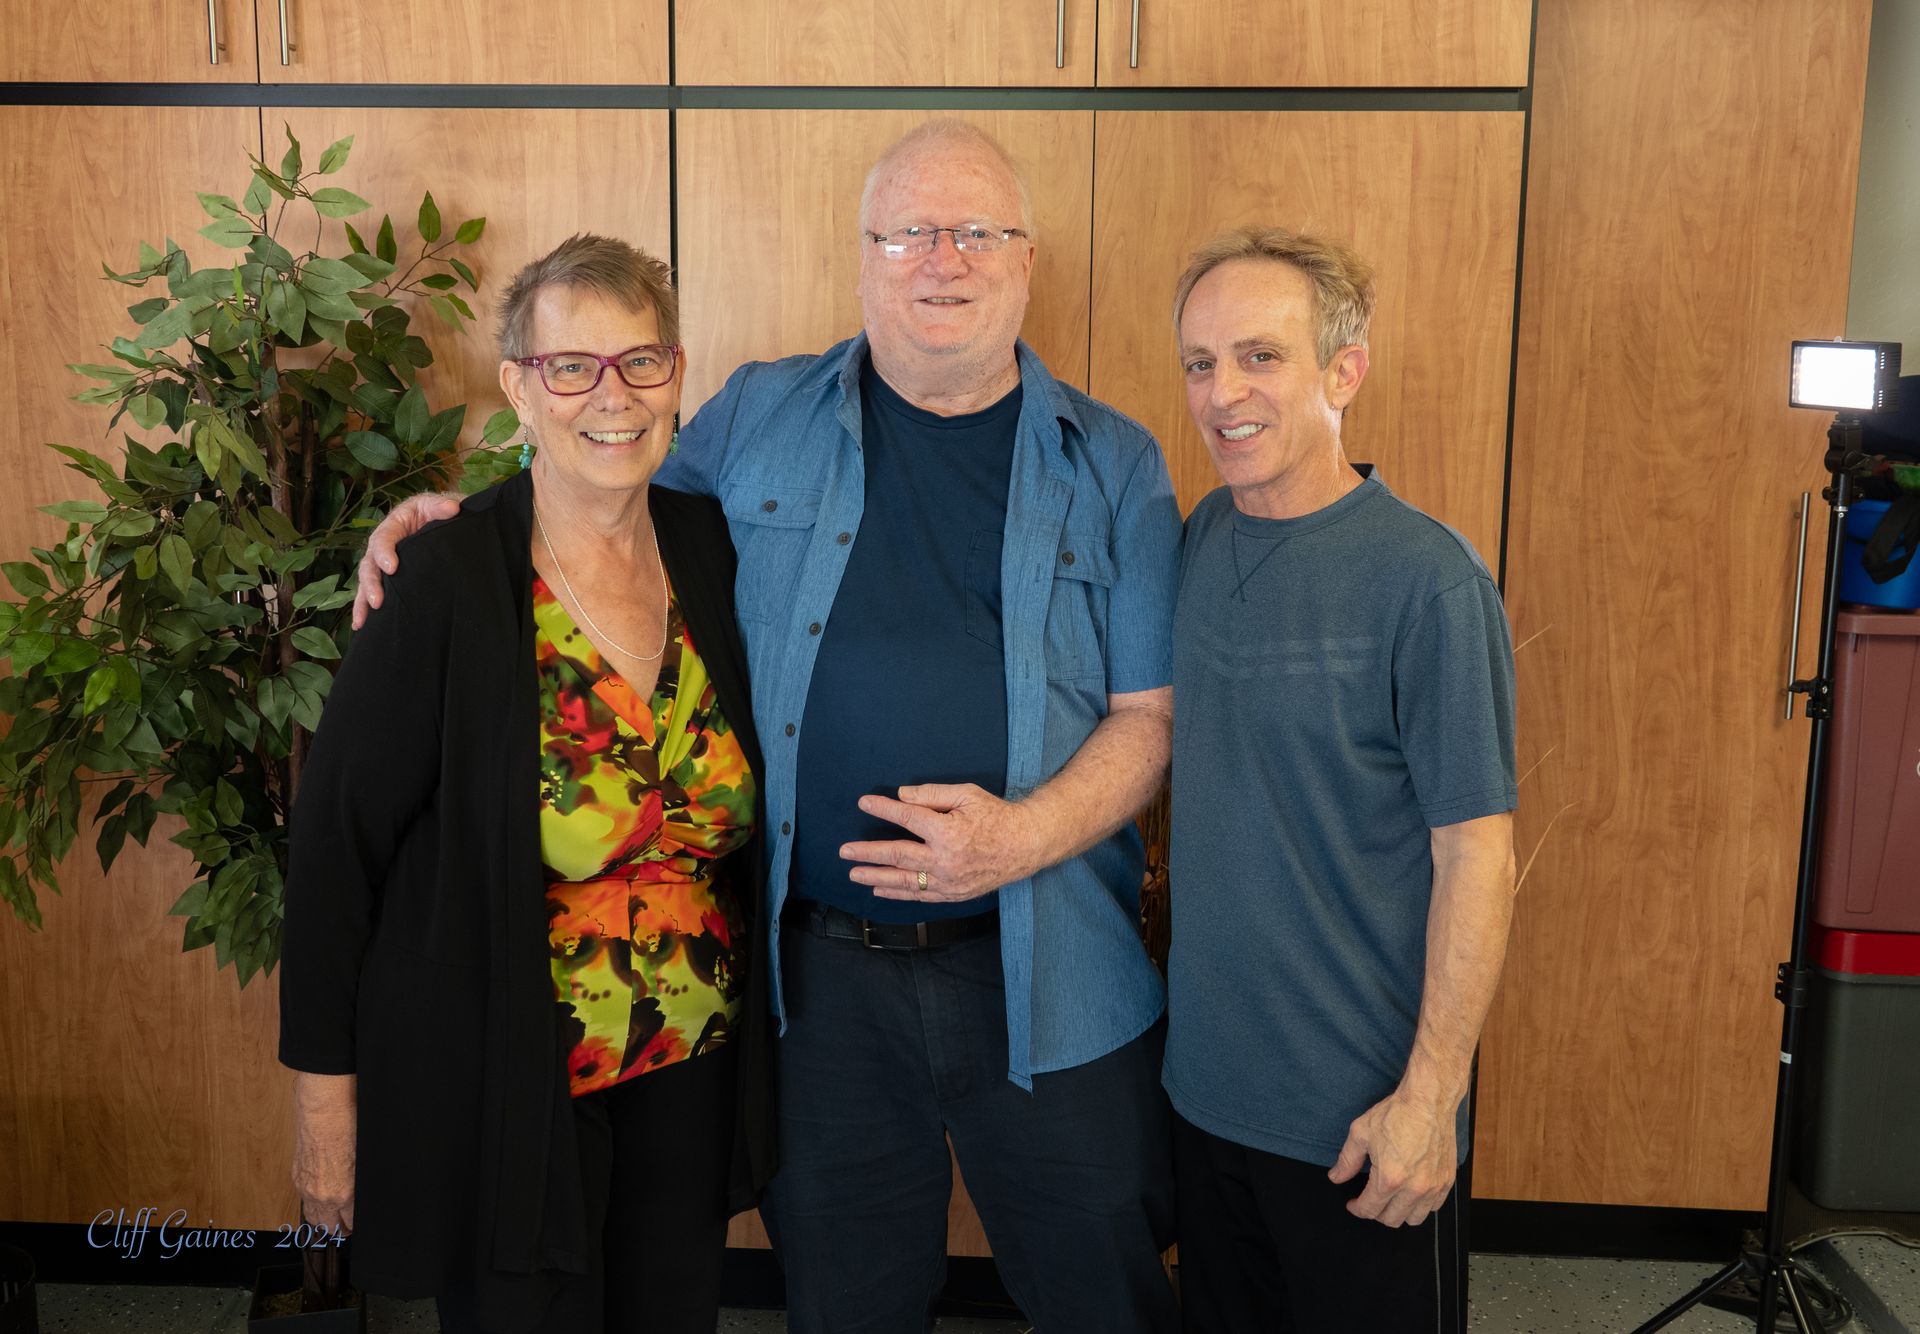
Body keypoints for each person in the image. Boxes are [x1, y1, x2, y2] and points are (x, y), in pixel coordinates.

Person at [354, 120, 1184, 1332]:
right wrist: (465, 520)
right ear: (864, 257)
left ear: (1025, 257)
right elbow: (601, 501)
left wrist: (1019, 836)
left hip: (1053, 963)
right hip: (823, 981)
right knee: (847, 1302)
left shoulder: (1115, 463)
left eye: (974, 232)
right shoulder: (756, 417)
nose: (938, 259)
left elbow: (1148, 719)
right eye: (907, 231)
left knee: (1107, 1290)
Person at [280, 234, 775, 1334]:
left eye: (640, 362)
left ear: (678, 372)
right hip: (511, 1086)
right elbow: (333, 844)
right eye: (571, 366)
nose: (613, 395)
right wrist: (324, 1096)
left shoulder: (715, 549)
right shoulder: (448, 578)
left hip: (688, 1076)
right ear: (519, 385)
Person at [1161, 225, 1519, 1334]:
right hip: (1205, 1096)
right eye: (1202, 363)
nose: (1225, 393)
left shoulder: (1429, 582)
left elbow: (1478, 852)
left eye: (1260, 357)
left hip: (1359, 1126)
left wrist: (1430, 1098)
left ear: (1343, 371)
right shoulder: (1200, 535)